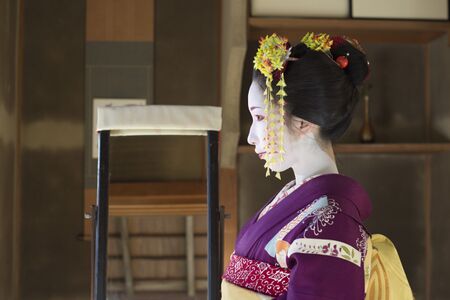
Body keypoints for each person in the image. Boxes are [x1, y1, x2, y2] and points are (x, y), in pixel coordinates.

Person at [221, 33, 372, 299]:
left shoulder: (332, 221)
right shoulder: (296, 197)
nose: (251, 136)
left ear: (303, 121)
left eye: (259, 116)